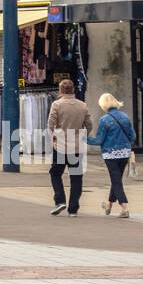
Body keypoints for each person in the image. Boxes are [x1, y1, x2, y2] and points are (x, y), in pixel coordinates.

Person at [47, 79, 93, 217]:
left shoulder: (57, 104)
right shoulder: (82, 105)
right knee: (76, 177)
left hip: (60, 146)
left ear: (60, 90)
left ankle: (60, 200)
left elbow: (51, 124)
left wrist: (53, 137)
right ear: (73, 90)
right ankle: (73, 209)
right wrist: (83, 136)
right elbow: (89, 125)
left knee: (55, 173)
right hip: (76, 147)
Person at [87, 92, 136, 218]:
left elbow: (99, 140)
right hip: (124, 153)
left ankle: (125, 208)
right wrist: (127, 146)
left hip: (110, 154)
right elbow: (132, 136)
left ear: (103, 104)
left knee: (116, 180)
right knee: (117, 179)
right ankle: (109, 205)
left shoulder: (104, 119)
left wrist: (84, 138)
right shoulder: (125, 116)